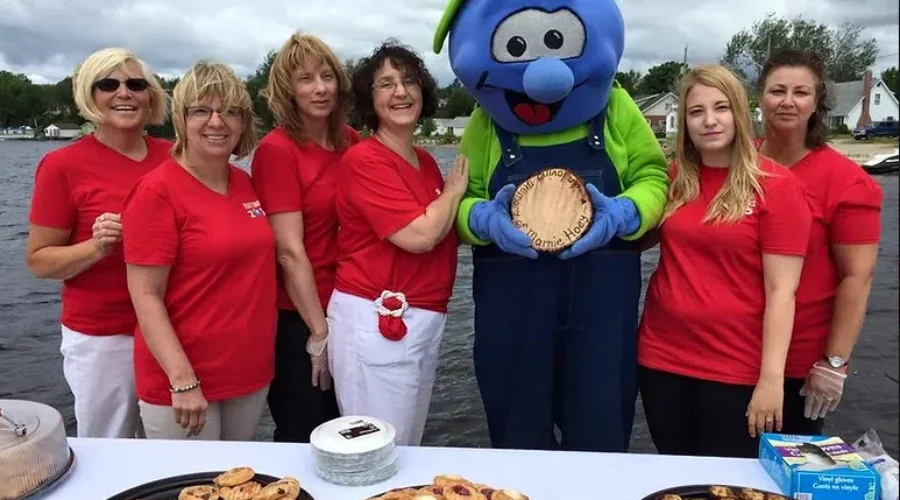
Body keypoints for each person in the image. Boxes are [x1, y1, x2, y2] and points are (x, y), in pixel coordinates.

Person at [432, 0, 669, 452]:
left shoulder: (616, 106)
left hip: (601, 301)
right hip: (511, 302)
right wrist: (483, 219)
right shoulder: (485, 122)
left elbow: (653, 177)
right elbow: (461, 199)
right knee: (517, 427)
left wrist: (624, 212)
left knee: (600, 427)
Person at [636, 64, 814, 459]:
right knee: (675, 473)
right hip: (661, 359)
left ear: (739, 113)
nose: (709, 121)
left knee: (724, 480)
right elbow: (636, 238)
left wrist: (772, 379)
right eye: (696, 112)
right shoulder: (675, 179)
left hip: (734, 367)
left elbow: (782, 292)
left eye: (721, 108)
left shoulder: (777, 187)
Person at [121, 60, 276, 440]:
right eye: (201, 111)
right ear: (181, 118)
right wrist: (182, 379)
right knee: (193, 478)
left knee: (240, 474)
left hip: (248, 373)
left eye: (230, 112)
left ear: (243, 122)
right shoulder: (156, 191)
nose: (217, 122)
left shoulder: (245, 183)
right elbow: (145, 295)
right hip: (183, 383)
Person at [25, 47, 172, 438]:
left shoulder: (176, 157)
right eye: (108, 84)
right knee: (109, 446)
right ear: (89, 95)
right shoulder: (62, 166)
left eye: (136, 84)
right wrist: (96, 246)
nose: (124, 93)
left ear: (151, 95)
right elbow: (39, 261)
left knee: (175, 449)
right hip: (106, 337)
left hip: (176, 330)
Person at [328, 40, 468, 446]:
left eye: (409, 81)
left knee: (407, 445)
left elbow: (443, 230)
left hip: (423, 319)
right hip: (378, 323)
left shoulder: (425, 162)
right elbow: (421, 236)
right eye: (386, 84)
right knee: (377, 449)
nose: (401, 92)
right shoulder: (365, 160)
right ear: (369, 99)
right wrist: (453, 192)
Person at [756, 49, 884, 432]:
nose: (788, 101)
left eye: (801, 92)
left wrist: (834, 362)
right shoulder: (737, 164)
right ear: (760, 97)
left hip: (797, 362)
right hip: (728, 352)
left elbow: (857, 277)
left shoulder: (847, 183)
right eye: (777, 91)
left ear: (817, 102)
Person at [249, 32, 360, 443]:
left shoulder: (350, 141)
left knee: (352, 428)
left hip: (349, 304)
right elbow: (289, 252)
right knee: (305, 431)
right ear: (287, 90)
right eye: (306, 79)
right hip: (299, 316)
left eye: (327, 76)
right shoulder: (277, 151)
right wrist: (319, 333)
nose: (320, 88)